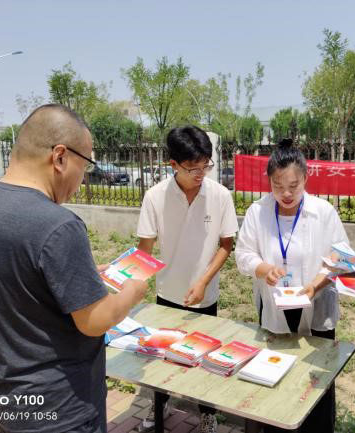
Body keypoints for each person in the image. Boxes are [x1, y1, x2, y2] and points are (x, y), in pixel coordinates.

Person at [0, 104, 148, 433]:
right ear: (60, 157)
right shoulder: (59, 225)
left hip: (8, 399)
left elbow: (15, 276)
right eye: (85, 164)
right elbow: (95, 321)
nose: (83, 178)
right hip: (61, 407)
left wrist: (79, 276)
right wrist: (134, 291)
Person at [235, 139, 349, 433]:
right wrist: (264, 269)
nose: (285, 194)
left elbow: (341, 257)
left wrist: (315, 285)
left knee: (316, 380)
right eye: (278, 186)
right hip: (275, 305)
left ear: (305, 179)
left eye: (293, 186)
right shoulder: (258, 212)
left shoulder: (323, 212)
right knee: (276, 374)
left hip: (316, 304)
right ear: (269, 182)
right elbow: (243, 254)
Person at [135, 126, 239, 433]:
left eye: (206, 165)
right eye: (193, 168)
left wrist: (204, 281)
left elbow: (226, 244)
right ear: (174, 165)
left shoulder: (219, 195)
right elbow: (144, 250)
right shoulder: (155, 197)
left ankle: (207, 413)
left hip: (205, 295)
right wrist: (130, 284)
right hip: (168, 294)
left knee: (206, 358)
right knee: (163, 357)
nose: (201, 174)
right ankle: (160, 404)